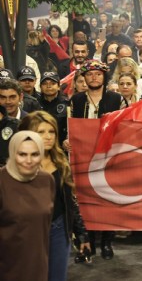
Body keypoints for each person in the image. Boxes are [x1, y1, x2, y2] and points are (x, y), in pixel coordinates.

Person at [19, 111, 90, 281]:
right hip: (26, 233)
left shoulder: (61, 162)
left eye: (51, 132)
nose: (48, 137)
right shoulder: (16, 166)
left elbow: (70, 201)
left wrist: (82, 234)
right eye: (41, 132)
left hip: (59, 229)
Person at [69, 60, 126, 259]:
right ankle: (89, 242)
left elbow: (126, 127)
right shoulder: (75, 101)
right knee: (86, 200)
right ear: (83, 78)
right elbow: (68, 128)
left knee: (108, 199)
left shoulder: (116, 99)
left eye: (98, 74)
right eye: (90, 74)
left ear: (104, 77)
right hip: (83, 158)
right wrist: (66, 141)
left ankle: (107, 243)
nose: (94, 77)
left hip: (109, 157)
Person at [0, 131, 54, 281]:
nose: (29, 160)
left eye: (35, 154)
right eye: (22, 154)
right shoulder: (2, 181)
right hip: (6, 270)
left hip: (38, 267)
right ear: (12, 153)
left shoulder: (47, 180)